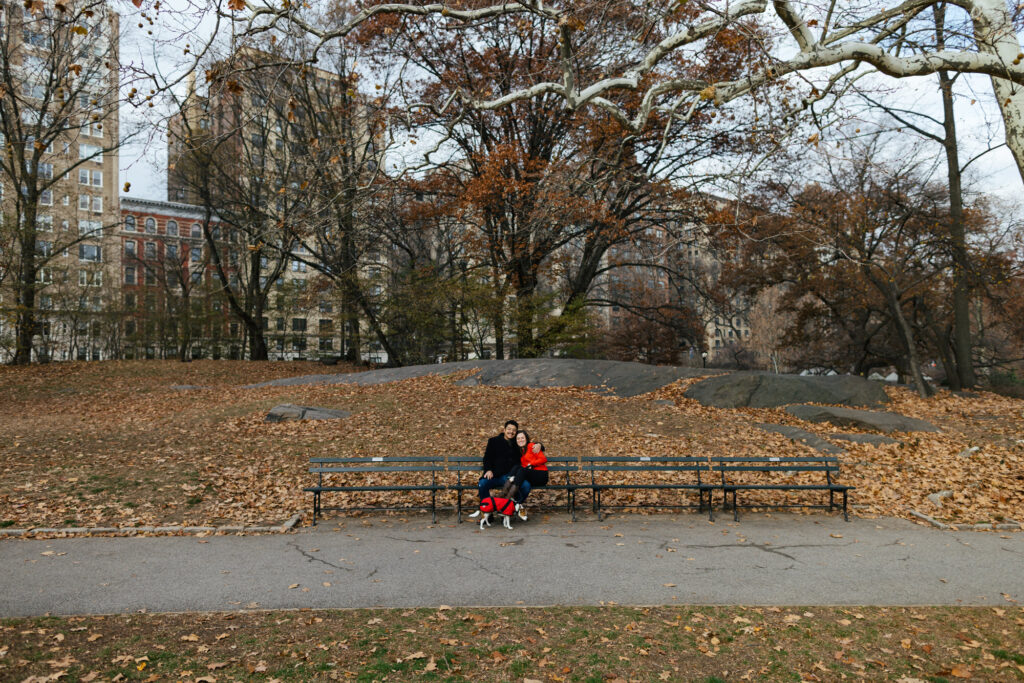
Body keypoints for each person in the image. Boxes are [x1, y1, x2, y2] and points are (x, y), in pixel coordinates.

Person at [470, 420, 520, 517]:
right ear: (504, 430)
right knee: (483, 484)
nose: (511, 432)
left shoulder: (517, 443)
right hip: (495, 475)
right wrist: (488, 470)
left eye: (514, 430)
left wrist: (539, 445)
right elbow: (487, 457)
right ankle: (488, 512)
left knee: (522, 486)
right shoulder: (494, 441)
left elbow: (529, 444)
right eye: (509, 429)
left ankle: (506, 511)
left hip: (510, 477)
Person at [501, 429, 548, 519]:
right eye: (518, 438)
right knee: (517, 467)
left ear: (526, 439)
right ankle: (511, 501)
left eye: (522, 438)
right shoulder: (520, 451)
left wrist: (531, 464)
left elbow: (543, 459)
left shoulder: (532, 446)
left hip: (541, 475)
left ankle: (506, 501)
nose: (520, 440)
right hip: (530, 475)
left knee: (522, 470)